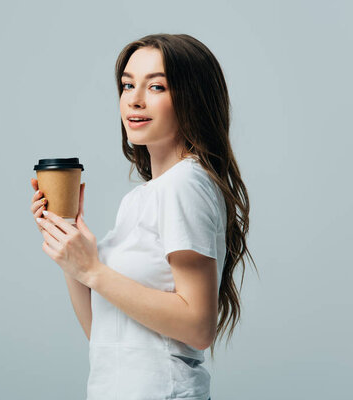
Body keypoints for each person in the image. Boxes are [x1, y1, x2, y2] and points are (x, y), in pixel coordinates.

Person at [29, 33, 256, 400]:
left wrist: (93, 270)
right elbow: (104, 335)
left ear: (192, 98)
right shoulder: (141, 197)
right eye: (127, 85)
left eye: (156, 87)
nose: (134, 99)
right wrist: (69, 249)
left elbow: (199, 326)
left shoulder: (185, 185)